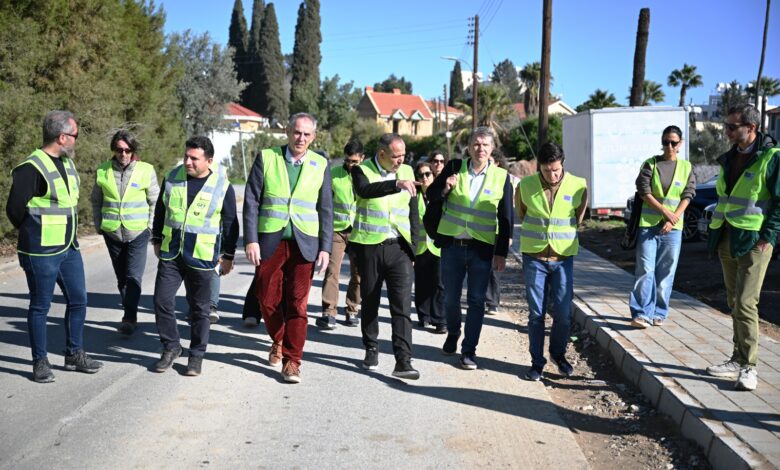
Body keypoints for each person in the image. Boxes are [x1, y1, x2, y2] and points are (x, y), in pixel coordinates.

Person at [6, 110, 103, 383]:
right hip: (40, 252)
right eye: (75, 135)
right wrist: (34, 233)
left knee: (78, 300)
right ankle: (40, 362)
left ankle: (74, 354)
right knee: (40, 307)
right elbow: (14, 210)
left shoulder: (67, 163)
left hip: (69, 247)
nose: (76, 140)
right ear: (62, 137)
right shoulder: (31, 167)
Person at [243, 113, 332, 384]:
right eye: (296, 132)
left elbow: (326, 208)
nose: (300, 138)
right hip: (271, 240)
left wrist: (325, 247)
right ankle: (279, 338)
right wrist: (251, 239)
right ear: (287, 132)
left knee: (297, 303)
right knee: (266, 298)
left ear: (313, 137)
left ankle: (292, 361)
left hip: (305, 244)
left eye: (306, 134)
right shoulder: (267, 157)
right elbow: (251, 200)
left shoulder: (320, 164)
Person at [706, 104, 779, 391]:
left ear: (752, 128)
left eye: (732, 126)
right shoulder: (730, 157)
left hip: (754, 240)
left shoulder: (771, 157)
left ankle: (749, 366)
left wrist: (768, 236)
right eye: (726, 125)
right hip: (727, 236)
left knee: (747, 303)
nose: (726, 130)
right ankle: (737, 358)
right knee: (734, 301)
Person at [427, 127, 513, 370]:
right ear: (469, 146)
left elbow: (506, 217)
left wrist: (501, 253)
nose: (480, 149)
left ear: (492, 148)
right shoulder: (454, 167)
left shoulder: (501, 177)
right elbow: (431, 194)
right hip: (453, 246)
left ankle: (469, 350)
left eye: (485, 145)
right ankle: (453, 332)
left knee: (476, 300)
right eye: (476, 144)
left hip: (481, 249)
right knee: (450, 298)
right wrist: (445, 188)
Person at [151, 136, 238, 376]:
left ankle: (196, 355)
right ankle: (171, 347)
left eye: (194, 158)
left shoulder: (222, 186)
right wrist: (156, 238)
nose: (188, 162)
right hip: (171, 253)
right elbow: (161, 211)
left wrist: (228, 255)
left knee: (200, 310)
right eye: (186, 156)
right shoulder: (172, 177)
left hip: (202, 256)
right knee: (161, 301)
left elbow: (231, 223)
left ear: (209, 161)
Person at [350, 133, 420, 379]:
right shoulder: (361, 170)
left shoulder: (408, 171)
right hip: (369, 246)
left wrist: (415, 246)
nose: (401, 161)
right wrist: (395, 184)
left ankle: (403, 361)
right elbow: (364, 191)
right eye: (396, 156)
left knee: (402, 306)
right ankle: (371, 347)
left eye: (403, 156)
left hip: (399, 248)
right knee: (370, 300)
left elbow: (413, 211)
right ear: (381, 154)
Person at [516, 142, 587, 381]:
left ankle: (558, 354)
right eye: (547, 171)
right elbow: (522, 213)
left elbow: (578, 217)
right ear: (539, 167)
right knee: (536, 314)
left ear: (562, 163)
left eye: (556, 170)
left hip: (563, 258)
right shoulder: (525, 186)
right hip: (534, 258)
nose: (552, 175)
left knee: (563, 313)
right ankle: (537, 363)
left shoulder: (579, 185)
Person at [91, 130, 160, 335]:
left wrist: (149, 227)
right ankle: (130, 311)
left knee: (133, 276)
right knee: (121, 277)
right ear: (114, 150)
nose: (123, 154)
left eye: (127, 150)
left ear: (133, 150)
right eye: (119, 150)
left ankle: (129, 317)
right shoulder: (103, 170)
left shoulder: (146, 170)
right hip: (112, 233)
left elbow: (155, 201)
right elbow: (96, 201)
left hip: (138, 233)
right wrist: (99, 225)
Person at [629, 126, 695, 329]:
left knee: (666, 273)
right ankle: (641, 313)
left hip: (673, 229)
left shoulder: (686, 167)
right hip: (649, 226)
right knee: (645, 270)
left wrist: (672, 219)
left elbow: (688, 194)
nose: (669, 146)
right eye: (666, 142)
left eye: (673, 142)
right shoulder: (650, 164)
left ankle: (659, 312)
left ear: (680, 143)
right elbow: (644, 191)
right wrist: (665, 212)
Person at [316, 139, 364, 330]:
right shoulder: (334, 174)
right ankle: (329, 312)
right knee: (332, 271)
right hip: (336, 230)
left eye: (354, 161)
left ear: (362, 158)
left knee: (358, 274)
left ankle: (352, 309)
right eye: (347, 161)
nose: (350, 165)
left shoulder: (368, 175)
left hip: (359, 231)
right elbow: (324, 203)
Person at [413, 161, 447, 334]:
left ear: (434, 175)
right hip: (420, 247)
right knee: (422, 283)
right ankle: (424, 315)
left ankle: (440, 319)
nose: (424, 178)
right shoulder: (413, 197)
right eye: (420, 175)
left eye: (428, 174)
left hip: (438, 246)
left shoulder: (441, 194)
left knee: (440, 284)